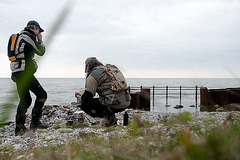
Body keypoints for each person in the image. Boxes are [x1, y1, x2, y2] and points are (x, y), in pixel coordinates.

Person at [8, 20, 48, 135]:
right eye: (38, 31)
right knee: (42, 95)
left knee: (25, 100)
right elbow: (40, 51)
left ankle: (19, 129)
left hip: (16, 73)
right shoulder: (29, 36)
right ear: (34, 28)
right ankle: (35, 123)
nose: (38, 33)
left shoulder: (17, 38)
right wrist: (40, 39)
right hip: (24, 73)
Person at [75, 57, 131, 126]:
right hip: (126, 102)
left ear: (87, 66)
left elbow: (87, 97)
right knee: (104, 99)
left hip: (114, 104)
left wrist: (79, 96)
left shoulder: (93, 74)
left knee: (85, 105)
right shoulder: (109, 69)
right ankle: (110, 118)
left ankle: (111, 120)